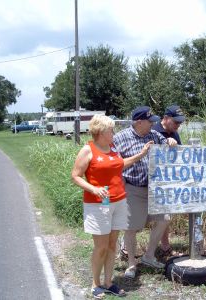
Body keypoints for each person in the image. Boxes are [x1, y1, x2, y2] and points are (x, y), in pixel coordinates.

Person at [71, 114, 153, 299]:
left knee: (112, 244)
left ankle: (108, 282)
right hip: (98, 205)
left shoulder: (113, 147)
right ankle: (95, 284)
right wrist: (94, 188)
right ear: (100, 132)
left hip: (119, 201)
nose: (113, 133)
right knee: (100, 246)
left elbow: (120, 165)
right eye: (111, 130)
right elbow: (75, 176)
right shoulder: (88, 150)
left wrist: (141, 155)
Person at [113, 106, 178, 279]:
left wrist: (170, 142)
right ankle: (132, 263)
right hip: (133, 187)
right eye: (150, 121)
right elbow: (115, 164)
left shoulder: (153, 135)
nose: (153, 124)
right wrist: (140, 155)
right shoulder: (120, 138)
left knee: (164, 218)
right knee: (131, 228)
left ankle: (149, 256)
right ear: (139, 122)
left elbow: (165, 143)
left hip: (153, 188)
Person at [152, 105, 185, 257]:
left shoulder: (175, 134)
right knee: (136, 218)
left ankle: (165, 247)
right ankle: (126, 248)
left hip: (166, 182)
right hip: (147, 180)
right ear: (165, 118)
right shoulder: (153, 130)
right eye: (176, 122)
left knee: (165, 216)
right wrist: (165, 142)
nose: (178, 125)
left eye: (180, 122)